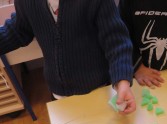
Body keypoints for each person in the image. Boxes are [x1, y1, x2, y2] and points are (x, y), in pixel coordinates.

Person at [0, 0, 136, 114]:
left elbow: (116, 41)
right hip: (58, 93)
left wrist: (122, 80)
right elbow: (19, 29)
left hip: (97, 88)